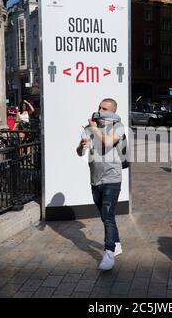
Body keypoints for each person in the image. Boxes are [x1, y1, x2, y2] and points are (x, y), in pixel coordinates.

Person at [76, 98, 125, 271]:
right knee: (106, 216)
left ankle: (109, 253)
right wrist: (82, 146)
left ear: (112, 111)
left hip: (112, 178)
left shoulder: (118, 126)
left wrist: (95, 128)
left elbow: (108, 142)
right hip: (95, 179)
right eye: (99, 107)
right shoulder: (89, 128)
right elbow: (79, 151)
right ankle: (117, 244)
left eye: (104, 108)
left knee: (108, 215)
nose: (100, 110)